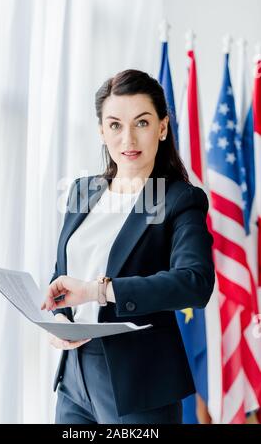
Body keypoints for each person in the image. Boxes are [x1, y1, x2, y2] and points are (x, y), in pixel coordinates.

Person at [41, 69, 215, 424]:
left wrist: (98, 291)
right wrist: (60, 316)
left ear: (162, 128)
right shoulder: (81, 191)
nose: (128, 138)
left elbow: (195, 282)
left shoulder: (180, 199)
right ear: (102, 131)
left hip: (139, 382)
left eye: (142, 122)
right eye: (116, 125)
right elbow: (64, 272)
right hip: (74, 378)